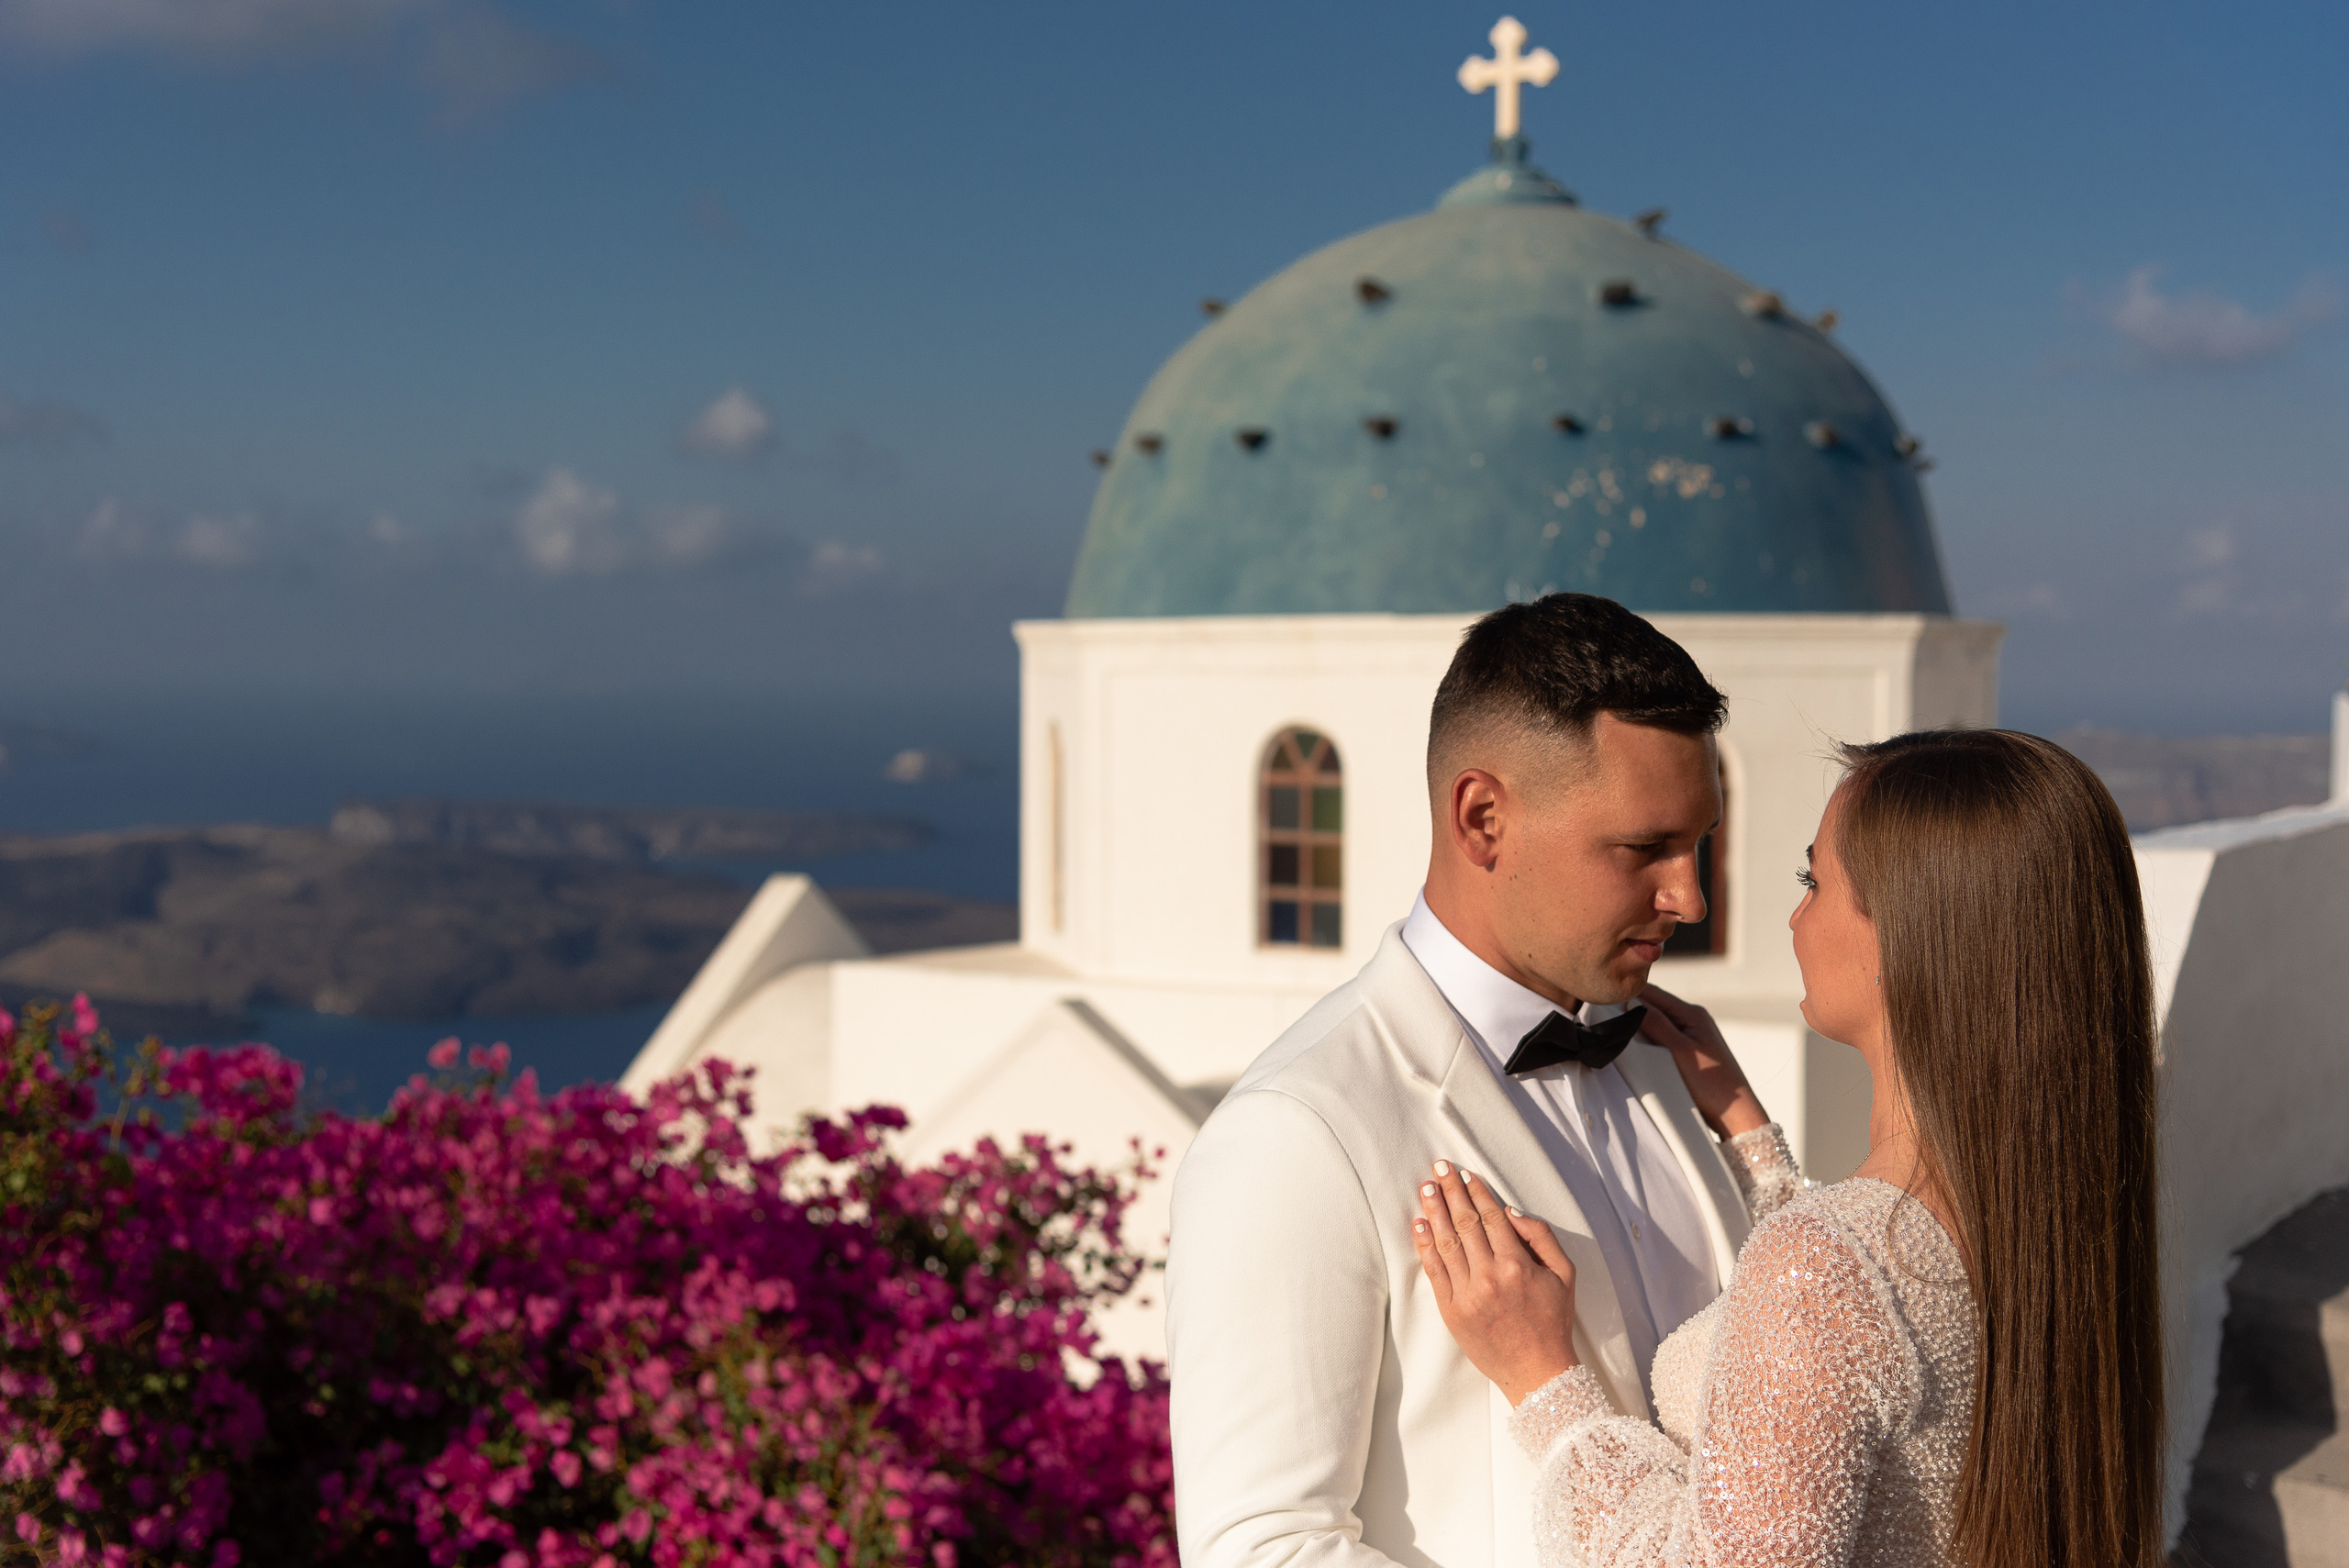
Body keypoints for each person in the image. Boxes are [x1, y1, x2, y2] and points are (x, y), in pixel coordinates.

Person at [1409, 728, 2167, 1568]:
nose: (1797, 914)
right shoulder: (2050, 1211)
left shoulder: (1824, 1267)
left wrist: (1545, 1380)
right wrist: (1748, 1133)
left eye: (1816, 881)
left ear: (1907, 936)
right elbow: (1872, 1328)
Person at [1167, 594, 1804, 1568]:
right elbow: (1262, 1546)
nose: (1689, 896)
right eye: (1642, 850)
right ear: (1483, 818)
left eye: (1696, 844)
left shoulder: (1674, 1060)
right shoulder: (1299, 1129)